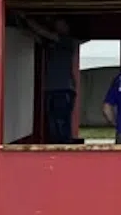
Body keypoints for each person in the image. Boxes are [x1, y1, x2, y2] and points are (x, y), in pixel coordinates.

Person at [20, 14, 81, 144]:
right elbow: (35, 36)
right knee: (53, 123)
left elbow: (43, 32)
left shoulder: (67, 40)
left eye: (60, 24)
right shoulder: (51, 42)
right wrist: (20, 25)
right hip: (51, 89)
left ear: (67, 27)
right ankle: (57, 147)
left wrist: (27, 19)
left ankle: (64, 147)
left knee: (61, 122)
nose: (57, 26)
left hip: (63, 89)